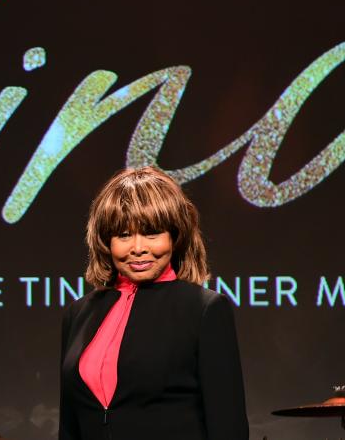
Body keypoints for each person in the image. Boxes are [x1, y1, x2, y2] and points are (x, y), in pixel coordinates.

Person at [59, 166, 249, 440]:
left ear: (175, 236)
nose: (138, 247)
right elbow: (69, 426)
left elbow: (228, 427)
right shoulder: (79, 313)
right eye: (123, 235)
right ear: (106, 241)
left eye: (151, 233)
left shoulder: (204, 309)